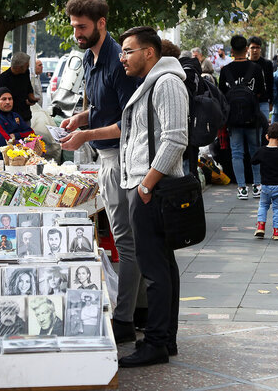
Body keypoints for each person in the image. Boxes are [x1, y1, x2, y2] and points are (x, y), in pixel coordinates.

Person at [59, 0, 142, 344]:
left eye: (83, 27)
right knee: (125, 237)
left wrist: (86, 133)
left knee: (126, 239)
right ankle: (133, 311)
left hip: (122, 157)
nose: (77, 33)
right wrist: (80, 117)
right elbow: (102, 106)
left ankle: (125, 318)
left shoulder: (117, 61)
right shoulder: (89, 58)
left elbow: (129, 121)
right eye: (74, 27)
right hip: (106, 156)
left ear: (102, 23)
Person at [116, 26, 187, 367]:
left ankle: (156, 342)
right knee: (162, 266)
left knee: (155, 269)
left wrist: (145, 184)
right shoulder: (151, 83)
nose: (123, 58)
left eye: (128, 51)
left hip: (154, 190)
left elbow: (175, 139)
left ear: (149, 52)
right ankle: (165, 339)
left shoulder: (167, 82)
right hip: (147, 187)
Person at [219, 35, 265, 200]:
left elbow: (222, 96)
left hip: (233, 119)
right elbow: (260, 92)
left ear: (231, 51)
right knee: (255, 150)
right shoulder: (256, 69)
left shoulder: (225, 71)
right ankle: (257, 185)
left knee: (237, 152)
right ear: (246, 49)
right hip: (252, 117)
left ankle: (241, 188)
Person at [252, 122, 278, 240]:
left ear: (267, 137)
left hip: (265, 185)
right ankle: (276, 232)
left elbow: (253, 161)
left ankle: (260, 226)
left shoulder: (261, 151)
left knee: (263, 205)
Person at [0, 87, 34, 153]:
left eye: (10, 99)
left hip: (20, 153)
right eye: (4, 99)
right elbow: (7, 143)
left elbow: (31, 133)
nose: (8, 102)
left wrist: (15, 135)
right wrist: (23, 138)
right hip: (2, 158)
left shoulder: (15, 115)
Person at [0, 51, 38, 125]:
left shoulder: (25, 73)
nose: (28, 66)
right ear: (19, 67)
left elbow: (28, 87)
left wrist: (31, 97)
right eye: (26, 65)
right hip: (11, 116)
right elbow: (2, 100)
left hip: (25, 115)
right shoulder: (4, 79)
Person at [248, 36, 274, 124]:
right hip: (247, 102)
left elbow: (270, 83)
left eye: (257, 47)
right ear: (247, 49)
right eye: (253, 47)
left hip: (263, 102)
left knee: (264, 128)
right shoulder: (244, 64)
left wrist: (271, 101)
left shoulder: (267, 64)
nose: (255, 50)